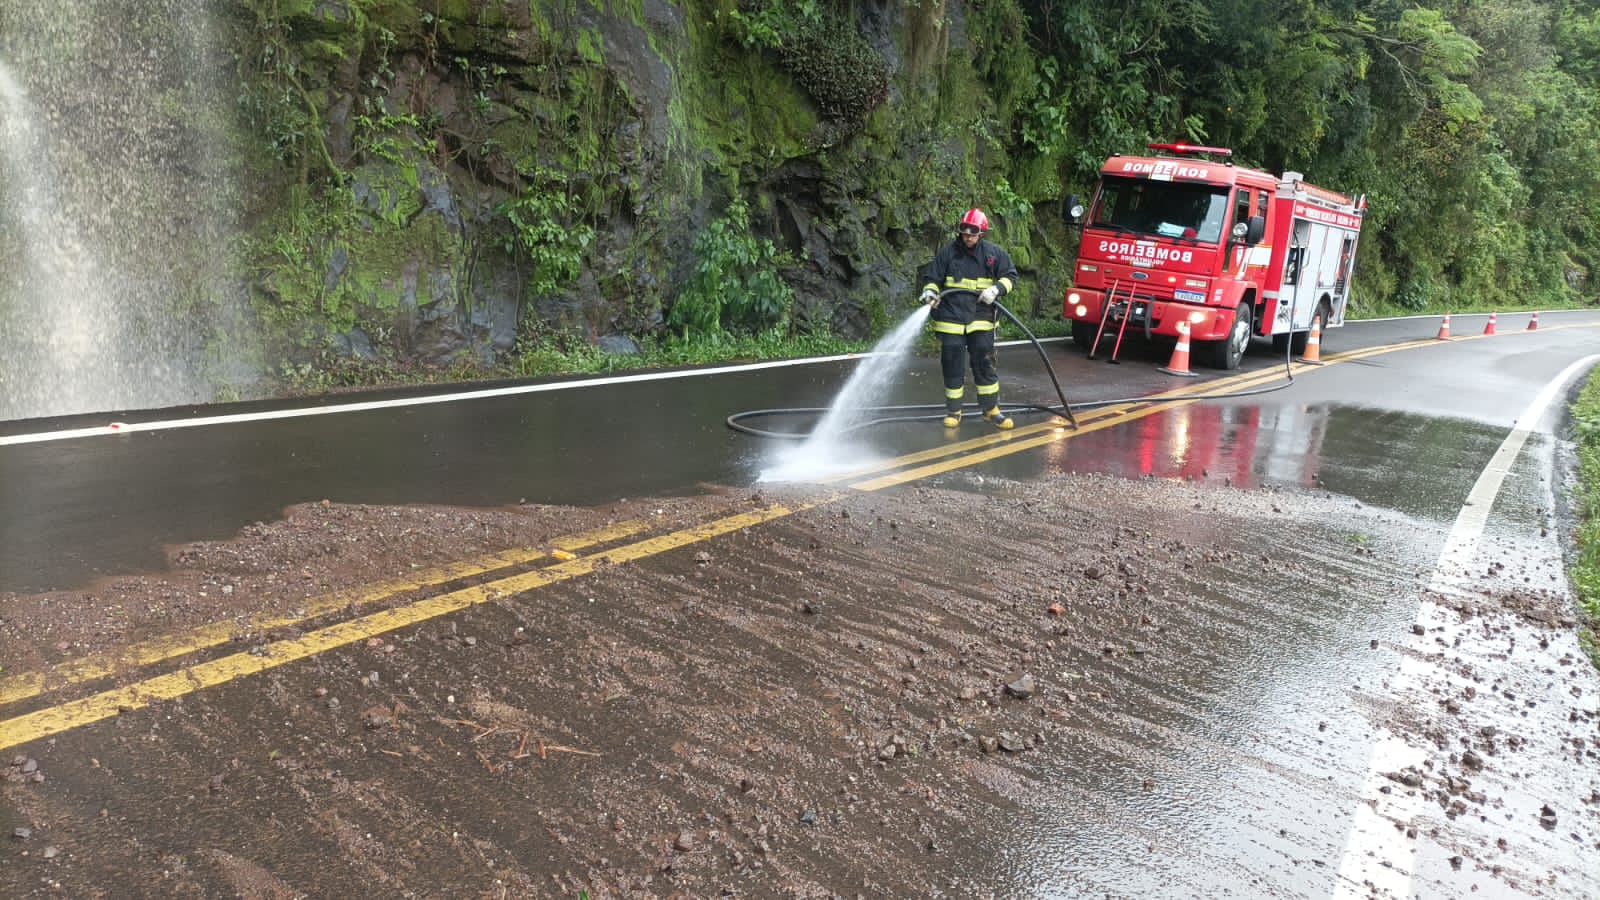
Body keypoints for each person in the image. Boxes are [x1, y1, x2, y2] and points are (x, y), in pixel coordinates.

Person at [919, 208, 1018, 429]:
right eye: (964, 232)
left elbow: (1010, 276)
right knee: (952, 364)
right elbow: (932, 278)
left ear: (982, 233)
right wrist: (930, 292)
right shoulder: (947, 253)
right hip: (951, 318)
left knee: (984, 364)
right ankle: (954, 411)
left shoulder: (993, 254)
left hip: (981, 317)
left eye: (973, 233)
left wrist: (996, 289)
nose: (968, 237)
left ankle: (991, 410)